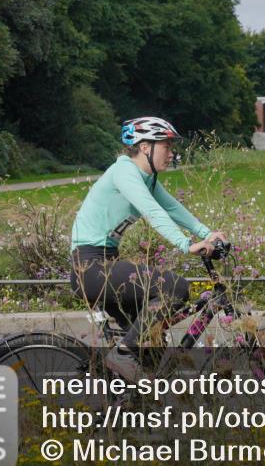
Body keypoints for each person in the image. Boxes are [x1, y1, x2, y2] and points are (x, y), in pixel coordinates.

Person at [69, 116, 228, 381]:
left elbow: (172, 207)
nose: (171, 153)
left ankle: (130, 401)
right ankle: (123, 353)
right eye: (166, 146)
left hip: (107, 262)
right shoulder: (124, 172)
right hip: (90, 267)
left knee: (153, 347)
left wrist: (206, 233)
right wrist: (186, 244)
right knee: (175, 288)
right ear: (145, 147)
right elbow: (152, 211)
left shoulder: (147, 178)